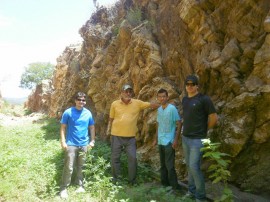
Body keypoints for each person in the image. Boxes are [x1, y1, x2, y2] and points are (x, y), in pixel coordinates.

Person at [106, 84, 159, 185]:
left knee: (132, 158)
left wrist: (164, 105)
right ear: (121, 92)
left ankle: (132, 181)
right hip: (116, 136)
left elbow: (151, 104)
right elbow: (111, 119)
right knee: (115, 158)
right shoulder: (114, 104)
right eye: (126, 91)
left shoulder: (137, 103)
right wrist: (109, 130)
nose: (128, 93)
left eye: (130, 91)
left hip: (130, 137)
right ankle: (116, 180)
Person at [181, 75, 218, 202]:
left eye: (192, 84)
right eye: (187, 84)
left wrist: (204, 130)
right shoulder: (184, 100)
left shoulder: (204, 99)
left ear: (197, 85)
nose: (190, 86)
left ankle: (200, 197)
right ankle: (191, 191)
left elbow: (213, 118)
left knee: (194, 167)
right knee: (189, 167)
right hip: (185, 138)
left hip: (198, 140)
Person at [59, 92, 96, 199]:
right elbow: (63, 127)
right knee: (69, 167)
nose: (81, 102)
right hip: (71, 144)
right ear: (75, 100)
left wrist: (92, 140)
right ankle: (64, 188)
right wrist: (63, 141)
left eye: (83, 100)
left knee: (82, 166)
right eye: (79, 99)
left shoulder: (88, 113)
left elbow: (92, 127)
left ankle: (80, 185)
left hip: (84, 144)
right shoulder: (68, 112)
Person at [153, 88, 182, 191]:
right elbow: (158, 124)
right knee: (163, 165)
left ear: (167, 97)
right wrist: (155, 138)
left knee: (170, 166)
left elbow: (179, 123)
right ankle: (164, 185)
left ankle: (175, 187)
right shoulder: (159, 109)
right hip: (161, 140)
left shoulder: (172, 108)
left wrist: (175, 140)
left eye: (164, 96)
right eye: (160, 96)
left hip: (169, 141)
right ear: (158, 98)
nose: (162, 98)